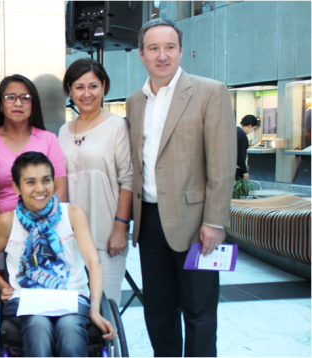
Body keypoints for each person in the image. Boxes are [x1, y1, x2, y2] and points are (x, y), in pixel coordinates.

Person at [125, 18, 235, 358]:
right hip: (150, 224)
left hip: (195, 224)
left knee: (200, 314)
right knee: (158, 312)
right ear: (141, 54)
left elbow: (221, 163)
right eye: (154, 48)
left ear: (181, 51)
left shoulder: (209, 92)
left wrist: (214, 222)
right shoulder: (134, 101)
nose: (162, 55)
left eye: (170, 47)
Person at [0, 152, 115, 358]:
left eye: (46, 180)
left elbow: (93, 262)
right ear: (17, 187)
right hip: (26, 300)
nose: (40, 189)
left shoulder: (73, 214)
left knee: (69, 330)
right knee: (38, 327)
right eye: (30, 182)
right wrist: (4, 286)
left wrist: (95, 308)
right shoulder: (7, 222)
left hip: (71, 297)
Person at [58, 59, 133, 305]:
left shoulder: (117, 126)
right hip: (69, 237)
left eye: (93, 86)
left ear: (103, 87)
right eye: (79, 87)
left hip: (106, 235)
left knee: (105, 309)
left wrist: (120, 229)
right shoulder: (63, 132)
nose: (87, 93)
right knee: (72, 311)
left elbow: (128, 179)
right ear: (70, 90)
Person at [0, 74, 67, 224]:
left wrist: (41, 227)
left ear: (33, 104)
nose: (18, 103)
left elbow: (60, 191)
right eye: (10, 97)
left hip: (44, 228)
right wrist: (2, 229)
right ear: (0, 104)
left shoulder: (48, 139)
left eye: (25, 97)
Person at [236, 114, 259, 180]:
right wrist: (245, 171)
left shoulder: (236, 130)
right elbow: (240, 155)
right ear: (250, 126)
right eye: (253, 129)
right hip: (238, 169)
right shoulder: (242, 135)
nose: (252, 131)